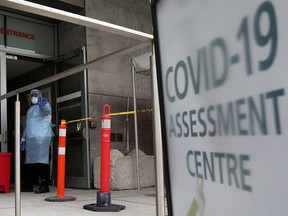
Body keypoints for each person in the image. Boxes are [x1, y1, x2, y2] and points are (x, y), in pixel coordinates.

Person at [21, 89, 53, 193]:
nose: (33, 97)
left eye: (35, 95)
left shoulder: (43, 105)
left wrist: (44, 105)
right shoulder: (30, 110)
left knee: (42, 162)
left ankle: (44, 185)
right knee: (29, 163)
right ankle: (27, 185)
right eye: (32, 95)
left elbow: (47, 110)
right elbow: (28, 125)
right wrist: (23, 139)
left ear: (40, 96)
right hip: (31, 139)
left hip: (42, 138)